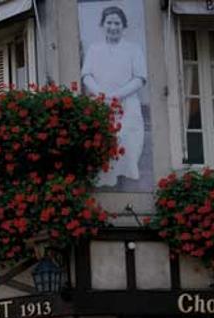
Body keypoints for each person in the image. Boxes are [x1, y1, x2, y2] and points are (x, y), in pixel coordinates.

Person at [81, 5, 146, 187]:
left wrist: (118, 94)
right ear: (103, 25)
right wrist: (102, 94)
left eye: (117, 23)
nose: (113, 26)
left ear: (123, 26)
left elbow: (140, 78)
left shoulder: (133, 49)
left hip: (127, 102)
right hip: (101, 101)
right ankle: (105, 177)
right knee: (103, 139)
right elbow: (86, 75)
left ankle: (127, 173)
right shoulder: (94, 49)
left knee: (127, 137)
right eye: (109, 22)